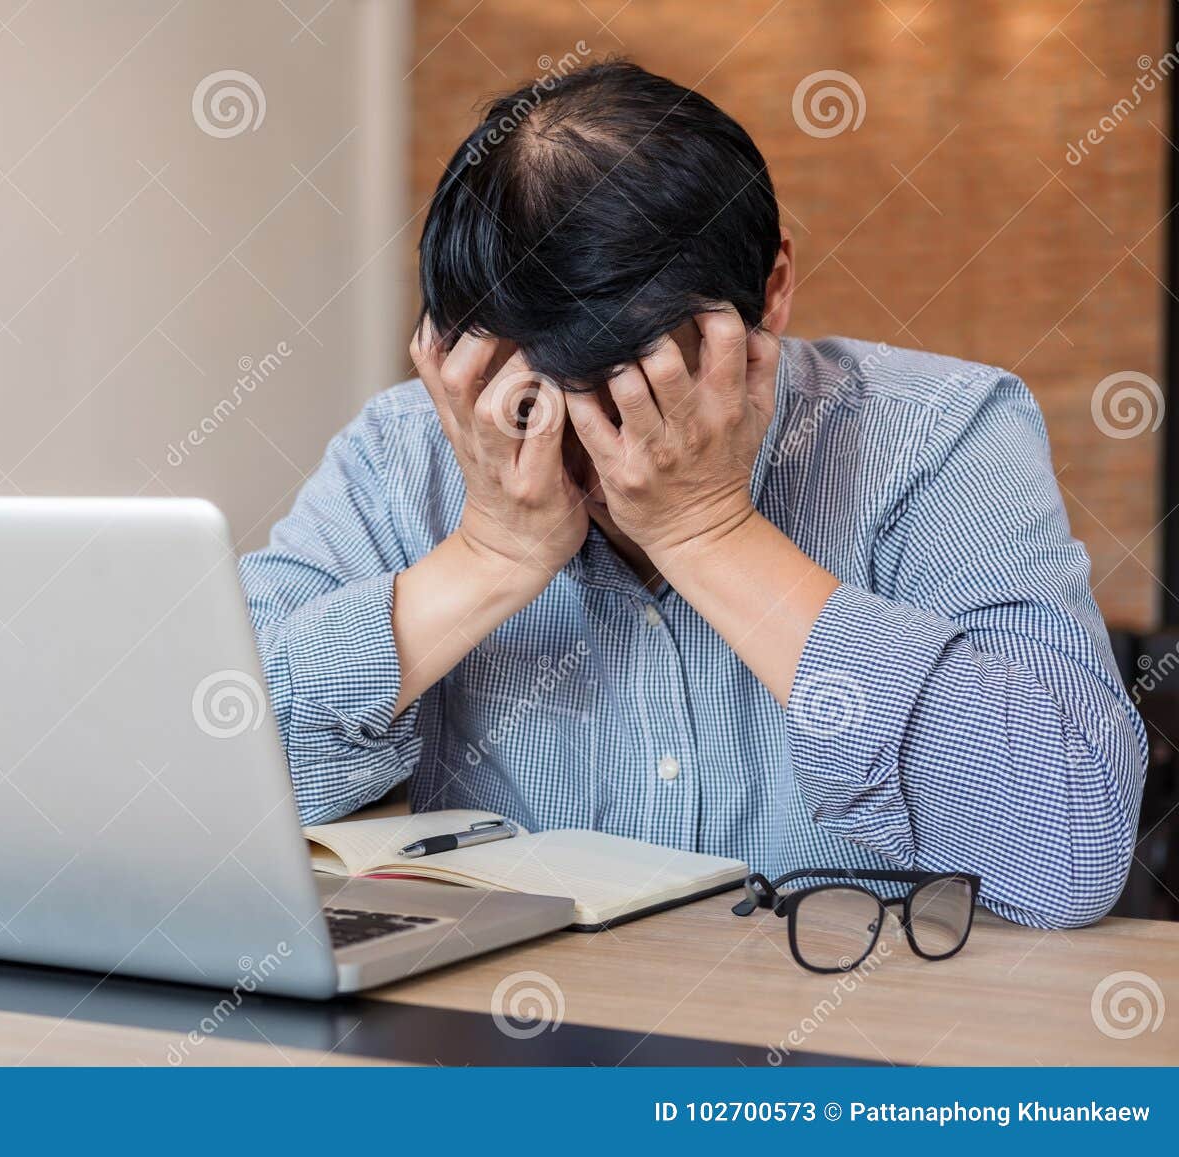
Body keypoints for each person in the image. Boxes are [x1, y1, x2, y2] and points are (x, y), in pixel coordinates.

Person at [239, 60, 1146, 929]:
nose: (590, 453)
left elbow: (1069, 848)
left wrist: (710, 531)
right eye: (530, 403)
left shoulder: (939, 434)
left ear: (772, 288)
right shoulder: (405, 450)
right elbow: (188, 792)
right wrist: (487, 559)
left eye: (629, 397)